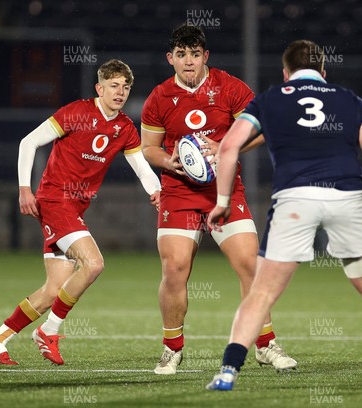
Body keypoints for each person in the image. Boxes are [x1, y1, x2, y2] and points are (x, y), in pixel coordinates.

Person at [206, 39, 362, 391]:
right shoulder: (348, 99)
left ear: (285, 73)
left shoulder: (269, 98)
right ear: (324, 73)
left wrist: (221, 201)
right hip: (348, 197)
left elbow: (230, 146)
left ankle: (228, 371)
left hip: (295, 199)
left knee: (262, 293)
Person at [0, 59, 161, 365]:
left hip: (74, 208)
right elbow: (29, 142)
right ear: (99, 88)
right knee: (93, 264)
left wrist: (155, 191)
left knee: (53, 290)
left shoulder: (125, 128)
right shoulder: (77, 112)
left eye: (126, 87)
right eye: (114, 86)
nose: (120, 92)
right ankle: (48, 330)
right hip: (54, 201)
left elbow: (142, 169)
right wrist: (25, 189)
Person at [141, 24, 296, 375]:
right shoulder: (159, 98)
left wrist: (231, 145)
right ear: (171, 59)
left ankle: (265, 344)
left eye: (195, 54)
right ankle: (172, 349)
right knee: (175, 269)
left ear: (205, 56)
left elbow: (264, 128)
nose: (188, 61)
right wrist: (169, 160)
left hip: (224, 191)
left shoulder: (230, 87)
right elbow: (149, 148)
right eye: (181, 55)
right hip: (178, 193)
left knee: (251, 266)